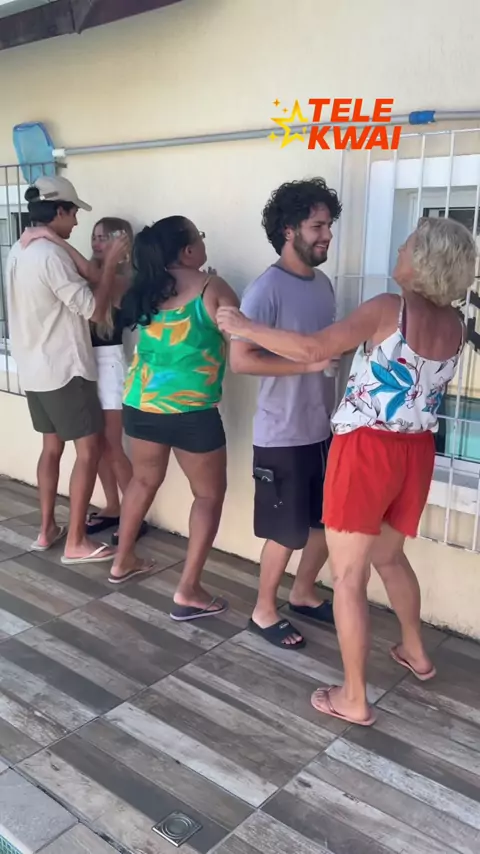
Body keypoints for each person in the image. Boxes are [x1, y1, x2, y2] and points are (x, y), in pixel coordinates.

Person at [218, 215, 475, 725]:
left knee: (349, 576)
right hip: (415, 452)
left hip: (366, 451)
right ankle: (415, 651)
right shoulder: (456, 324)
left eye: (407, 246)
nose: (399, 252)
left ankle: (354, 698)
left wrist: (244, 326)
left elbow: (316, 349)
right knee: (390, 558)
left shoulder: (388, 309)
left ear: (424, 261)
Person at [229, 178, 342, 650]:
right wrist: (306, 365)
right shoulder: (265, 290)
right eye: (318, 226)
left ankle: (303, 592)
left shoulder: (324, 285)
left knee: (325, 524)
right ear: (289, 230)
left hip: (323, 429)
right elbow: (241, 360)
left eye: (329, 225)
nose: (327, 235)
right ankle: (263, 610)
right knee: (287, 531)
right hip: (282, 433)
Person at [109, 216, 239, 623]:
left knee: (143, 480)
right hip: (191, 410)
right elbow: (242, 343)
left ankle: (122, 561)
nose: (204, 241)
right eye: (200, 236)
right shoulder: (212, 287)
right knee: (208, 496)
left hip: (141, 402)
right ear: (187, 250)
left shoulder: (146, 287)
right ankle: (188, 590)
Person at [6, 175, 129, 564]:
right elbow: (94, 308)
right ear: (59, 210)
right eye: (73, 213)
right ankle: (76, 541)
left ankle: (47, 530)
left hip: (34, 369)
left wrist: (59, 242)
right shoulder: (50, 256)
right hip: (65, 370)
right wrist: (110, 265)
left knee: (51, 448)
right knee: (89, 450)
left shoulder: (22, 248)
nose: (76, 222)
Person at [21, 216, 147, 546]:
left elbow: (97, 289)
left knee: (111, 445)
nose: (96, 242)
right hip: (81, 364)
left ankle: (135, 515)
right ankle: (114, 506)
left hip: (107, 365)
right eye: (95, 236)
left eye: (105, 237)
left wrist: (52, 237)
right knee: (96, 444)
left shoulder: (120, 280)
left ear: (122, 243)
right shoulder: (85, 273)